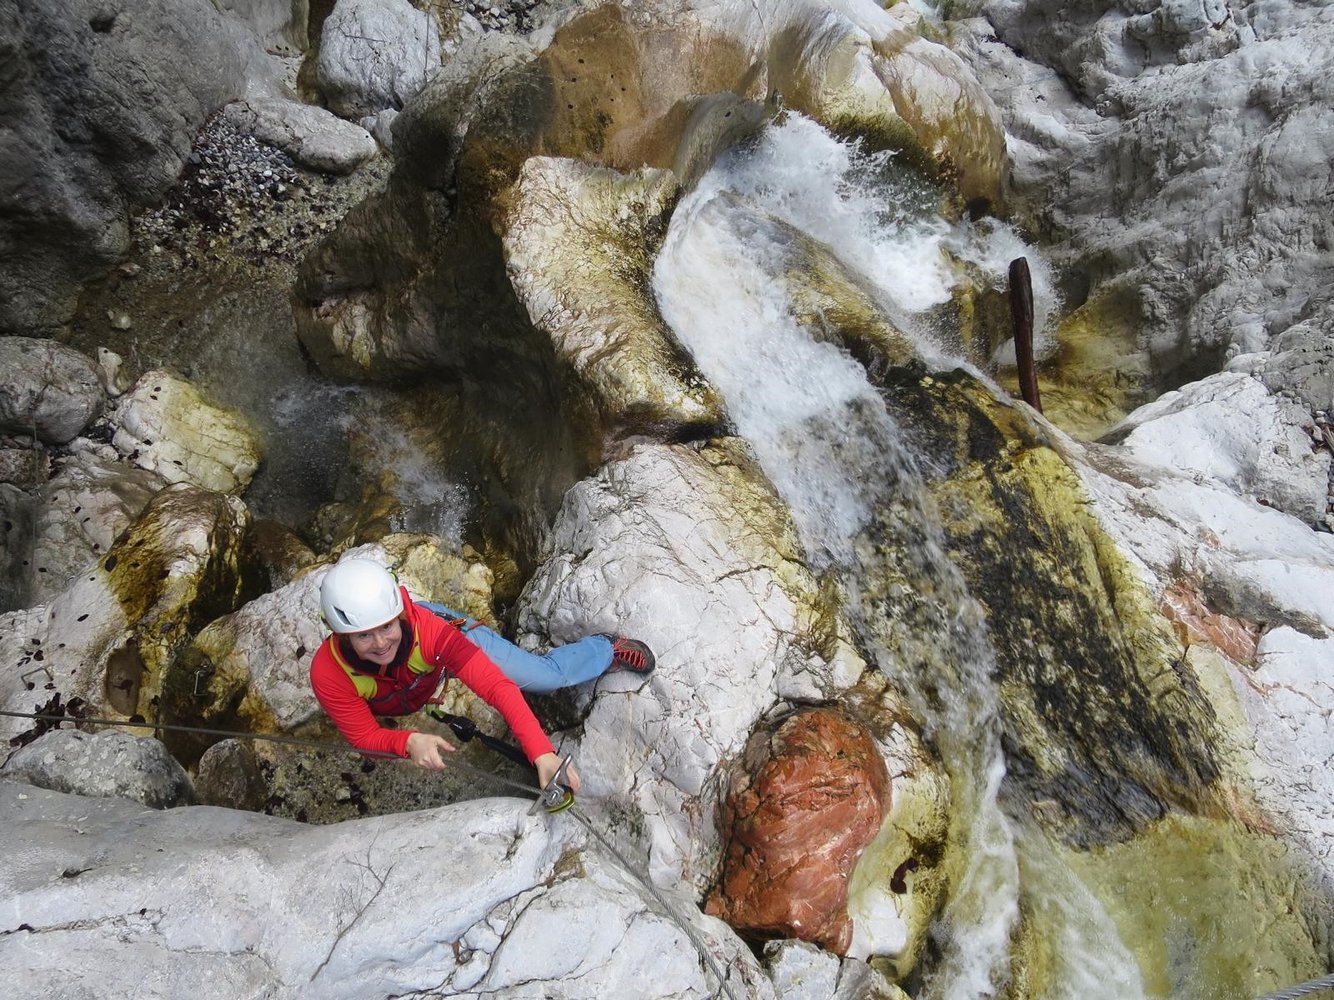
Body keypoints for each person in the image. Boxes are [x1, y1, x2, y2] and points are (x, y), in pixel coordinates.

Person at [308, 557, 655, 792]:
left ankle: (605, 648)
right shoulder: (330, 674)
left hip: (437, 653)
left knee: (543, 678)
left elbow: (496, 687)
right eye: (364, 635)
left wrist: (541, 752)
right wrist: (407, 741)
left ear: (399, 615)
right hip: (416, 676)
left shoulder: (430, 633)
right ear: (342, 636)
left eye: (386, 626)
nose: (381, 642)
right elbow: (364, 737)